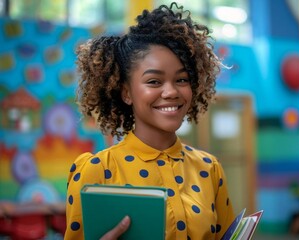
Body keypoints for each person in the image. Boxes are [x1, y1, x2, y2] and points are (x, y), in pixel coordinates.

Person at [65, 2, 235, 240]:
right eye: (154, 81)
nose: (171, 92)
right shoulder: (97, 171)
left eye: (182, 79)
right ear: (126, 92)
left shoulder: (209, 168)